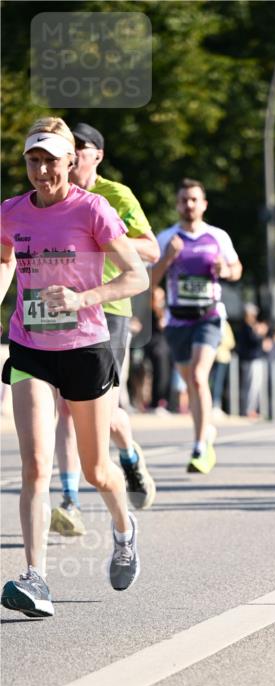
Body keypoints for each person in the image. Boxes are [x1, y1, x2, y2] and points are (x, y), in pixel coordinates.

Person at [0, 117, 148, 617]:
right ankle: (36, 577)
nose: (41, 170)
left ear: (70, 162)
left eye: (50, 160)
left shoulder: (94, 210)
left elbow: (137, 276)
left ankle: (124, 531)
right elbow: (5, 260)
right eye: (32, 160)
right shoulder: (11, 212)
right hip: (30, 348)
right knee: (36, 465)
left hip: (85, 348)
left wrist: (84, 296)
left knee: (97, 470)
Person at [48, 123, 160, 537]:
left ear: (98, 155)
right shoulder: (53, 196)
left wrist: (105, 237)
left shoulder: (115, 195)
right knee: (65, 405)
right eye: (68, 147)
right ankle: (70, 500)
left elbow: (151, 248)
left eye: (81, 147)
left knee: (104, 413)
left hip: (108, 308)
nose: (73, 154)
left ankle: (129, 457)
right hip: (61, 308)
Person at [152, 178, 242, 472]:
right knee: (191, 382)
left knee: (199, 378)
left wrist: (225, 269)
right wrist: (167, 258)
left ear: (203, 204)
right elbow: (149, 280)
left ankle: (200, 446)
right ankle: (206, 431)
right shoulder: (167, 238)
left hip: (209, 316)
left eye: (194, 199)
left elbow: (237, 269)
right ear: (177, 204)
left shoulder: (217, 236)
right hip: (178, 320)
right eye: (184, 200)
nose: (189, 205)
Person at [235, 303, 266, 417]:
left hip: (254, 360)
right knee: (251, 386)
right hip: (251, 360)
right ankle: (248, 410)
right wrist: (260, 334)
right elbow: (254, 342)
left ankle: (252, 409)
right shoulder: (246, 328)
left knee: (255, 387)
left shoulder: (249, 327)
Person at [210, 319, 235, 417]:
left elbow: (231, 342)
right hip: (214, 357)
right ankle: (214, 405)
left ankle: (217, 405)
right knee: (214, 382)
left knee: (218, 383)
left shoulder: (224, 324)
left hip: (222, 358)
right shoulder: (214, 321)